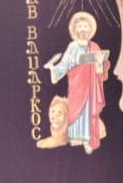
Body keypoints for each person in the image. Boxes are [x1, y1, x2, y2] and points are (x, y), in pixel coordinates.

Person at [45, 11, 110, 154]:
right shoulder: (72, 47)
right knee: (75, 110)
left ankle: (88, 140)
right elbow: (65, 64)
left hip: (91, 85)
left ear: (90, 30)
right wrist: (54, 70)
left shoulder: (94, 47)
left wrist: (99, 63)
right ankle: (75, 138)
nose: (83, 30)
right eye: (80, 27)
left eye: (85, 26)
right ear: (75, 30)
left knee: (89, 110)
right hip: (76, 84)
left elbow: (100, 71)